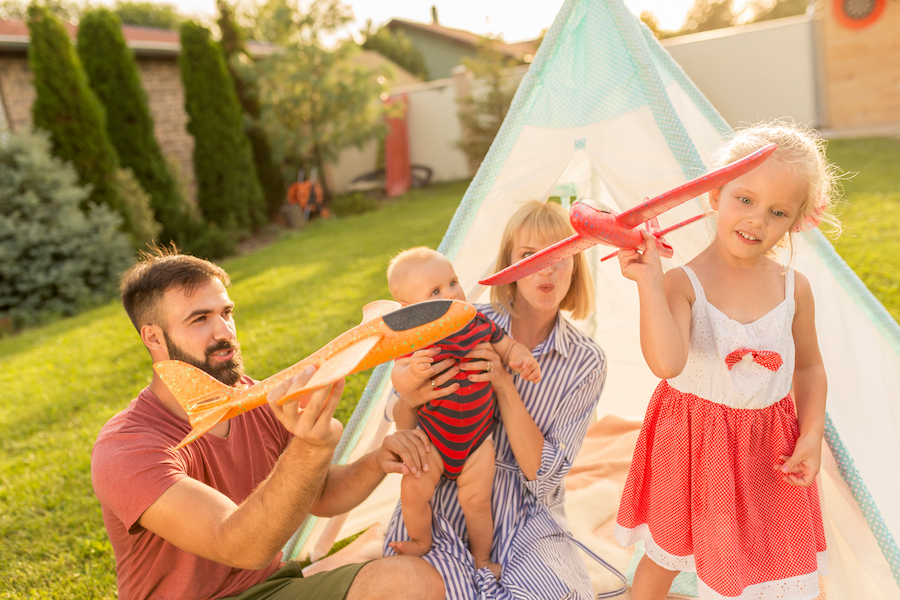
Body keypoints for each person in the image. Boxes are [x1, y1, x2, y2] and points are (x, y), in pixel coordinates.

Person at [91, 246, 444, 600]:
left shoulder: (253, 398)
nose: (223, 332)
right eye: (200, 319)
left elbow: (317, 495)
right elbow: (238, 547)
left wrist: (377, 461)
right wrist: (310, 448)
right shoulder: (127, 446)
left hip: (270, 588)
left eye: (226, 312)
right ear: (153, 337)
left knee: (413, 579)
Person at [614, 122, 840, 600]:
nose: (757, 220)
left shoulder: (793, 288)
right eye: (745, 199)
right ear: (714, 194)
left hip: (768, 449)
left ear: (797, 221)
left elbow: (809, 366)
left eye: (778, 211)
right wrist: (649, 284)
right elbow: (667, 363)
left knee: (776, 560)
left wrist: (813, 434)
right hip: (693, 444)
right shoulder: (682, 283)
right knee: (665, 557)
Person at [384, 201, 606, 599]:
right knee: (411, 589)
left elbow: (547, 476)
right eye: (529, 255)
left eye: (560, 255)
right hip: (443, 490)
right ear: (509, 265)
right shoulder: (456, 318)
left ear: (575, 265)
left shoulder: (587, 361)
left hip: (526, 511)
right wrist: (416, 392)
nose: (546, 268)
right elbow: (397, 413)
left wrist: (504, 384)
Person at [385, 247, 541, 578]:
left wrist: (520, 358)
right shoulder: (413, 339)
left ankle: (482, 559)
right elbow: (399, 379)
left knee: (477, 503)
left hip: (476, 441)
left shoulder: (475, 320)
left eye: (453, 282)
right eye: (436, 292)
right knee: (413, 492)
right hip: (433, 439)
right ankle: (420, 540)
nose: (452, 293)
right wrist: (413, 370)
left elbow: (506, 345)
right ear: (409, 310)